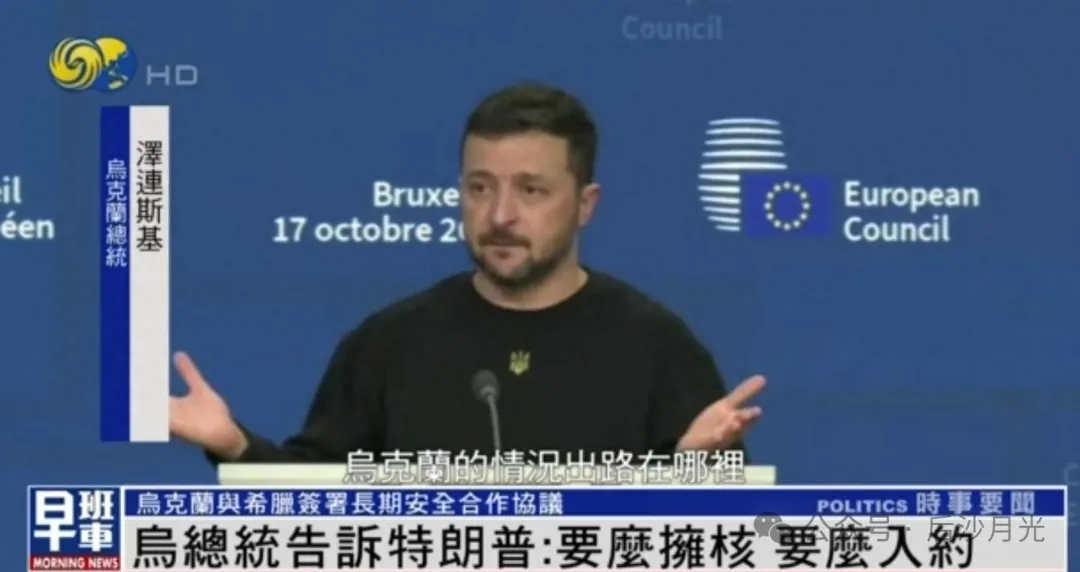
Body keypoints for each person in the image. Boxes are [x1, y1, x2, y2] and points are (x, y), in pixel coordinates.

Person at [169, 82, 766, 463]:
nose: (500, 215)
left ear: (586, 204)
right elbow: (316, 502)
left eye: (531, 190)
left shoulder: (656, 346)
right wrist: (235, 446)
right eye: (481, 188)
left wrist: (694, 471)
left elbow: (722, 537)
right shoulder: (390, 343)